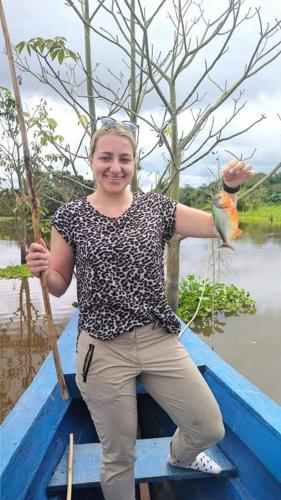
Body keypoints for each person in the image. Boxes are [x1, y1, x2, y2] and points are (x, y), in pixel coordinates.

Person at [26, 117, 255, 500]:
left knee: (209, 428)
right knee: (118, 456)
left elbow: (221, 229)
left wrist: (228, 190)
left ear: (134, 163)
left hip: (157, 339)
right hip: (102, 348)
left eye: (125, 159)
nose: (115, 167)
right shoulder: (70, 216)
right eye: (106, 157)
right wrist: (45, 270)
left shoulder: (158, 208)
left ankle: (181, 457)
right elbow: (59, 285)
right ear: (91, 160)